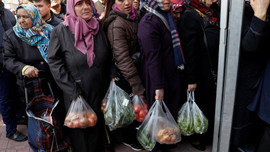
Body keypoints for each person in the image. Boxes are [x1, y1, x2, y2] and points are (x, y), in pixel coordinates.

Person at [47, 0, 111, 151]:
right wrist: (72, 89)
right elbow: (54, 61)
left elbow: (108, 55)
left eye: (88, 3)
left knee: (98, 129)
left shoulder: (97, 27)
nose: (85, 7)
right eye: (79, 4)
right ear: (71, 7)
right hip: (77, 91)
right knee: (82, 135)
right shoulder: (60, 31)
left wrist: (112, 76)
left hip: (99, 89)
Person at [137, 0, 185, 150]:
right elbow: (153, 59)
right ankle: (159, 146)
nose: (166, 1)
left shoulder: (165, 16)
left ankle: (166, 143)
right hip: (158, 79)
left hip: (170, 75)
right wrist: (159, 87)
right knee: (160, 119)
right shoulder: (149, 23)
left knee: (167, 116)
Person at [102, 0, 145, 151]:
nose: (127, 3)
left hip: (136, 67)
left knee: (136, 108)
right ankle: (128, 138)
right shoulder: (116, 24)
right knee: (129, 109)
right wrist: (135, 82)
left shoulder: (136, 16)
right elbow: (122, 58)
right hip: (124, 73)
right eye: (121, 0)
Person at [178, 0, 219, 151]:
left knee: (208, 103)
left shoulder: (213, 12)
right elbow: (189, 51)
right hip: (199, 72)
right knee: (199, 105)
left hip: (211, 69)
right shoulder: (190, 15)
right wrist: (191, 79)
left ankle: (205, 133)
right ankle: (195, 136)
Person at [231, 0, 270, 151]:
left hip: (261, 75)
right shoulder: (243, 9)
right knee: (242, 122)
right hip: (244, 78)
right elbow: (249, 46)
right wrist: (260, 14)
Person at [0, 0, 27, 142]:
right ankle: (11, 130)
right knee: (5, 97)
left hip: (12, 61)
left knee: (15, 92)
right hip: (1, 65)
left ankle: (18, 117)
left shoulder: (7, 13)